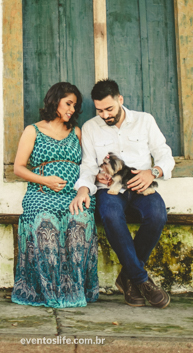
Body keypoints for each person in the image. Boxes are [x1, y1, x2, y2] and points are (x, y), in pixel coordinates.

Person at [69, 79, 174, 309]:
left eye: (110, 109)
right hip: (110, 189)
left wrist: (153, 172)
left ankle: (127, 276)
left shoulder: (144, 120)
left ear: (120, 100)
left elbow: (165, 155)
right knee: (111, 216)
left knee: (157, 215)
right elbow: (87, 166)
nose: (105, 115)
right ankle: (141, 280)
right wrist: (87, 186)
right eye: (100, 110)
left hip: (141, 186)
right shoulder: (90, 128)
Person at [11, 82, 99, 308]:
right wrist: (45, 180)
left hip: (72, 194)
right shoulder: (33, 130)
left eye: (75, 106)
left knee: (80, 220)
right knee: (46, 223)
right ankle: (48, 292)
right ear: (55, 101)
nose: (72, 109)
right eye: (68, 103)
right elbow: (18, 168)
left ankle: (74, 291)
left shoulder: (76, 132)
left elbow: (86, 165)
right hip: (40, 193)